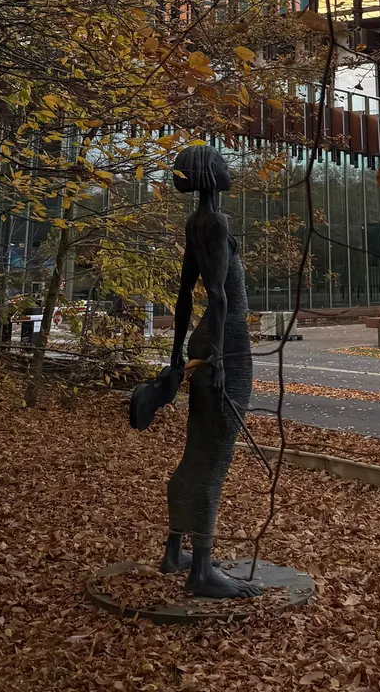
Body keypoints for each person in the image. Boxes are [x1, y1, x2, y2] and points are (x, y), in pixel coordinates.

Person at [128, 142, 262, 599]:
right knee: (214, 456)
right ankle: (201, 568)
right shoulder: (217, 222)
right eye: (223, 164)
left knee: (196, 449)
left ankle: (174, 549)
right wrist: (221, 358)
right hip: (228, 343)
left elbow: (186, 296)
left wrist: (176, 356)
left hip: (206, 339)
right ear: (209, 173)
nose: (229, 170)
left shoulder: (195, 222)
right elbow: (220, 297)